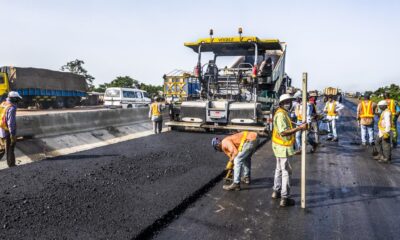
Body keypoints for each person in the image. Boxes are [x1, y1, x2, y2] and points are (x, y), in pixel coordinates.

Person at [271, 94, 307, 207]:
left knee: (279, 169)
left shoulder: (283, 113)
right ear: (281, 104)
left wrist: (298, 125)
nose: (289, 103)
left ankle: (276, 192)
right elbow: (283, 132)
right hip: (282, 147)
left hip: (279, 146)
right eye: (286, 102)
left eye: (290, 101)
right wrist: (299, 128)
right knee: (286, 171)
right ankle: (285, 198)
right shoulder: (281, 114)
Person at [0, 91, 22, 167]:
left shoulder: (3, 104)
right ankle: (11, 165)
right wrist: (12, 135)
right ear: (14, 99)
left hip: (1, 129)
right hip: (7, 131)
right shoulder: (11, 108)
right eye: (17, 100)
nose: (18, 102)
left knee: (2, 149)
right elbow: (10, 123)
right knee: (10, 148)